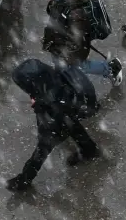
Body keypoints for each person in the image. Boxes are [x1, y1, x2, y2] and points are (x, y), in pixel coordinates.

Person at [6, 59, 100, 190]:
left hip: (61, 116)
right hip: (72, 109)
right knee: (73, 127)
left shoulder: (49, 101)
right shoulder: (55, 78)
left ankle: (24, 180)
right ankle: (89, 149)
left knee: (42, 149)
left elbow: (50, 125)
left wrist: (39, 106)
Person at [43, 0, 123, 86]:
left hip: (67, 45)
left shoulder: (77, 16)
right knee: (65, 66)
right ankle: (62, 76)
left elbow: (76, 44)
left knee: (77, 66)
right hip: (61, 38)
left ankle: (110, 69)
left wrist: (62, 55)